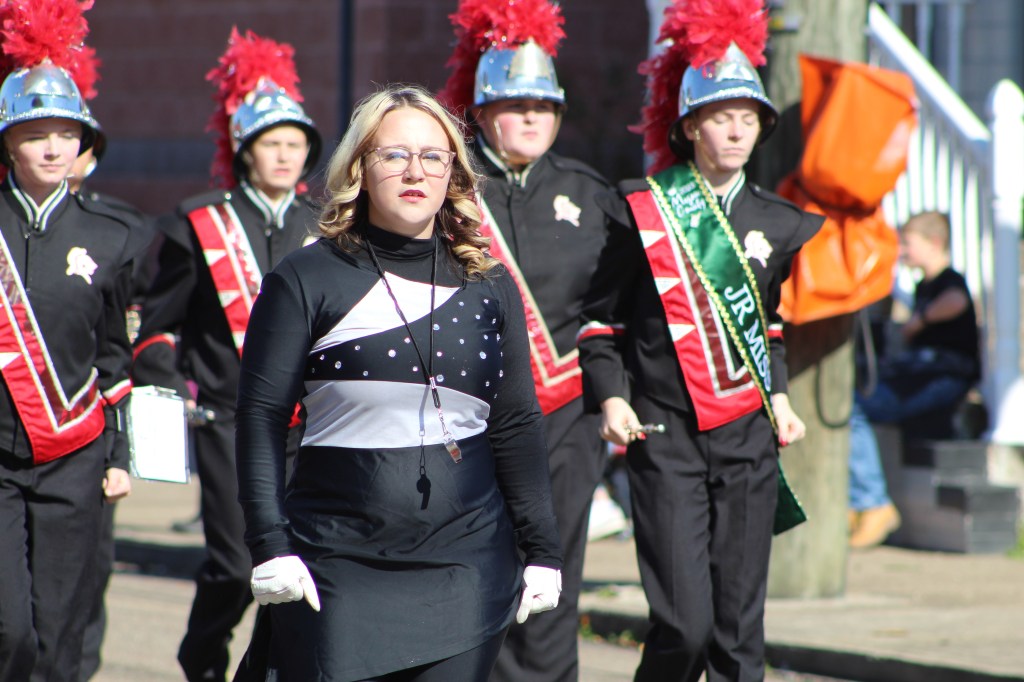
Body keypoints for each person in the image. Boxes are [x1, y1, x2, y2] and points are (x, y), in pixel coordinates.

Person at [234, 83, 563, 681]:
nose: (415, 170)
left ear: (454, 173)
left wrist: (543, 551)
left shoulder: (490, 285)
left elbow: (516, 421)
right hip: (335, 564)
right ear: (360, 167)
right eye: (393, 155)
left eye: (433, 156)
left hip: (467, 566)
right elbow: (259, 417)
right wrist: (269, 544)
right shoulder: (305, 277)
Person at [576, 1, 824, 680]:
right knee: (684, 625)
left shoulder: (778, 222)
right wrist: (610, 397)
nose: (738, 131)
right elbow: (601, 322)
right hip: (665, 435)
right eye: (722, 117)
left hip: (747, 437)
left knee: (739, 633)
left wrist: (780, 395)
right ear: (690, 127)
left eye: (749, 118)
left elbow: (768, 325)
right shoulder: (642, 210)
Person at [130, 28, 322, 682]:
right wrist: (170, 395)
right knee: (239, 563)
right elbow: (157, 330)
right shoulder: (197, 223)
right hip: (227, 421)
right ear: (244, 151)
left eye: (296, 144)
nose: (286, 156)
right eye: (273, 143)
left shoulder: (324, 227)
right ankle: (202, 653)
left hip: (311, 426)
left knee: (300, 561)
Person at [437, 2, 610, 679]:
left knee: (552, 575)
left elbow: (613, 307)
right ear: (480, 113)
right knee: (476, 571)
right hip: (466, 416)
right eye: (515, 103)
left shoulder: (589, 195)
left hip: (562, 419)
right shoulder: (447, 193)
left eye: (545, 104)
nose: (534, 116)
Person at [0, 3, 141, 679]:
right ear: (6, 143)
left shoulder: (113, 236)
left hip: (74, 459)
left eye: (66, 133)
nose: (53, 147)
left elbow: (116, 354)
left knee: (61, 634)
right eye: (35, 134)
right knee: (10, 628)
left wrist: (120, 452)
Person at [849, 211, 980, 548]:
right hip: (927, 374)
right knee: (856, 398)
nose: (902, 250)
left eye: (908, 243)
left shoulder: (948, 280)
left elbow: (957, 301)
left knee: (855, 408)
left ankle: (871, 502)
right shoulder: (923, 285)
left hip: (944, 377)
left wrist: (918, 320)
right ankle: (858, 503)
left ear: (934, 243)